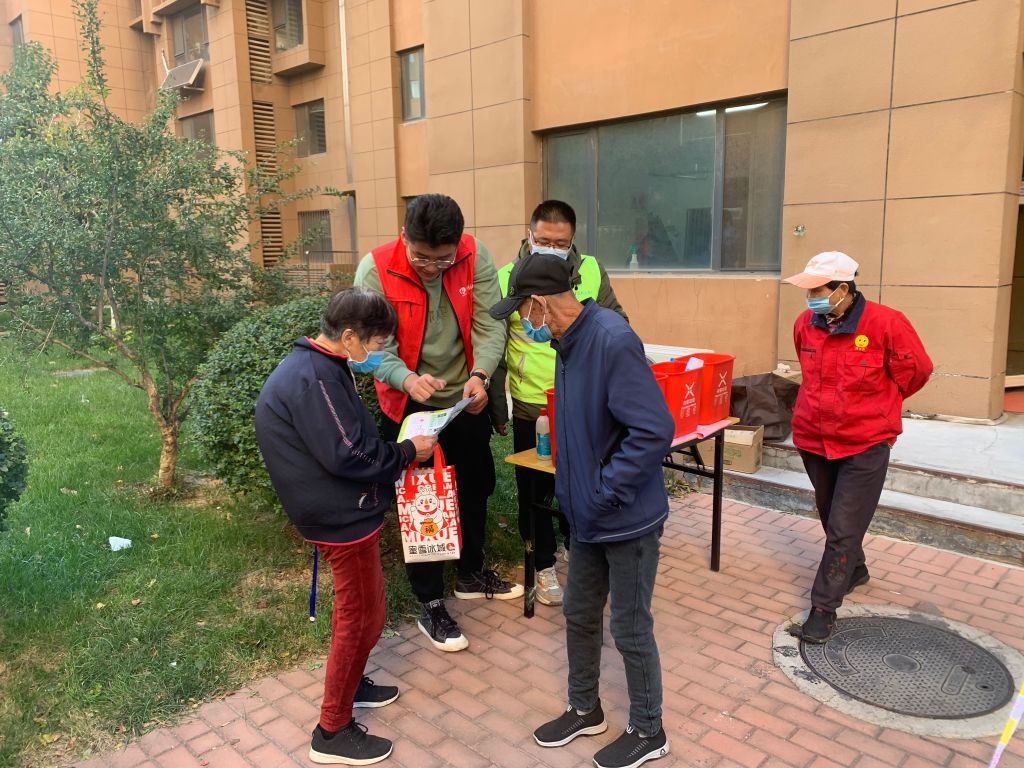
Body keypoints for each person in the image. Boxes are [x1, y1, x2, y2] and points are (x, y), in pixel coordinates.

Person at [490, 253, 674, 768]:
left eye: (521, 311)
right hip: (588, 515)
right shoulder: (567, 342)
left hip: (626, 515)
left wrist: (605, 490)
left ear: (539, 303)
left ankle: (649, 730)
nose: (522, 323)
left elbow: (653, 430)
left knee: (630, 628)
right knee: (580, 612)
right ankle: (584, 708)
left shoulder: (611, 339)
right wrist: (579, 495)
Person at [254, 288, 436, 766]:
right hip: (338, 516)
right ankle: (332, 730)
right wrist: (407, 452)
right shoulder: (314, 376)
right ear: (350, 336)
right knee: (359, 617)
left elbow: (344, 443)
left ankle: (353, 685)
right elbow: (349, 452)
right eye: (376, 344)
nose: (379, 354)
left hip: (340, 509)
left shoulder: (321, 366)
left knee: (367, 611)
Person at [354, 193, 522, 654]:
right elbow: (372, 349)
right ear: (404, 237)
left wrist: (480, 376)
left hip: (465, 397)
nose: (432, 268)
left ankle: (470, 573)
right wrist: (407, 379)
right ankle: (429, 600)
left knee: (475, 485)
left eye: (443, 259)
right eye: (422, 258)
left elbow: (490, 325)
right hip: (410, 404)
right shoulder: (376, 269)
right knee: (422, 501)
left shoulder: (473, 254)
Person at [784, 251, 933, 643]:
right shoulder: (804, 324)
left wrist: (878, 406)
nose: (810, 298)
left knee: (844, 526)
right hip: (814, 438)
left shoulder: (887, 323)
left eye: (818, 290)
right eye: (808, 290)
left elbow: (916, 371)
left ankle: (823, 608)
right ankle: (856, 569)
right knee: (830, 513)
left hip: (865, 441)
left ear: (843, 289)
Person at [495, 199, 628, 607]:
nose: (552, 248)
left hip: (582, 399)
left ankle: (576, 541)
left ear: (572, 240)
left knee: (581, 477)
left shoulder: (590, 270)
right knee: (534, 488)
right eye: (544, 240)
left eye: (561, 243)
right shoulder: (507, 277)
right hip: (533, 402)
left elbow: (616, 319)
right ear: (530, 234)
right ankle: (542, 562)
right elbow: (494, 343)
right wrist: (498, 406)